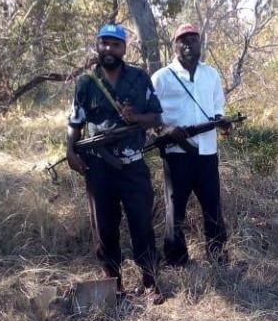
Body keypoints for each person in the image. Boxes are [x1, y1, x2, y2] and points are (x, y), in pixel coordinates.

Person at [66, 24, 165, 304]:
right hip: (99, 168)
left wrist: (137, 118)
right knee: (104, 227)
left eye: (115, 44)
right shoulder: (86, 83)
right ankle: (114, 284)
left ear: (124, 48)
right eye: (104, 43)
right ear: (97, 46)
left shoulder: (139, 78)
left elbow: (156, 118)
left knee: (142, 223)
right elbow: (74, 122)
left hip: (133, 165)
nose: (109, 49)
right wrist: (70, 150)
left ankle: (150, 282)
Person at [151, 23, 228, 266]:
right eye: (182, 40)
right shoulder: (162, 77)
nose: (188, 44)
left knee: (213, 207)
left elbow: (217, 109)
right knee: (176, 209)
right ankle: (176, 259)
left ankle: (217, 255)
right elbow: (151, 116)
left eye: (192, 39)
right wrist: (165, 130)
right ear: (174, 45)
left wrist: (223, 123)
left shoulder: (211, 74)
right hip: (177, 155)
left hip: (207, 151)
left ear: (200, 43)